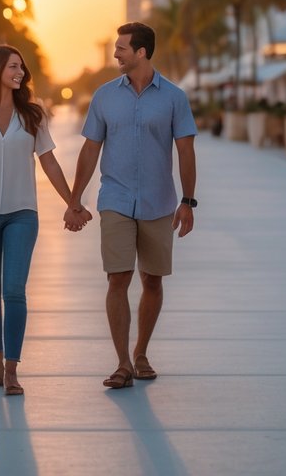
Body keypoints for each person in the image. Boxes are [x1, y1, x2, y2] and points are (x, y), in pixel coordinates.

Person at [0, 44, 86, 397]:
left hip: (22, 213)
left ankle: (11, 370)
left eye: (21, 67)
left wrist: (72, 202)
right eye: (13, 66)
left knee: (14, 290)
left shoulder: (32, 114)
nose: (20, 72)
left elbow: (50, 162)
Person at [70, 22, 197, 390]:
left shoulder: (174, 98)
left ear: (141, 52)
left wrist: (188, 201)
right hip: (115, 198)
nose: (115, 54)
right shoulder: (104, 97)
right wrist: (76, 198)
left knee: (152, 280)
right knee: (118, 277)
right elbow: (90, 148)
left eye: (121, 48)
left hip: (159, 201)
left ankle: (141, 352)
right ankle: (123, 363)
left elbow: (185, 150)